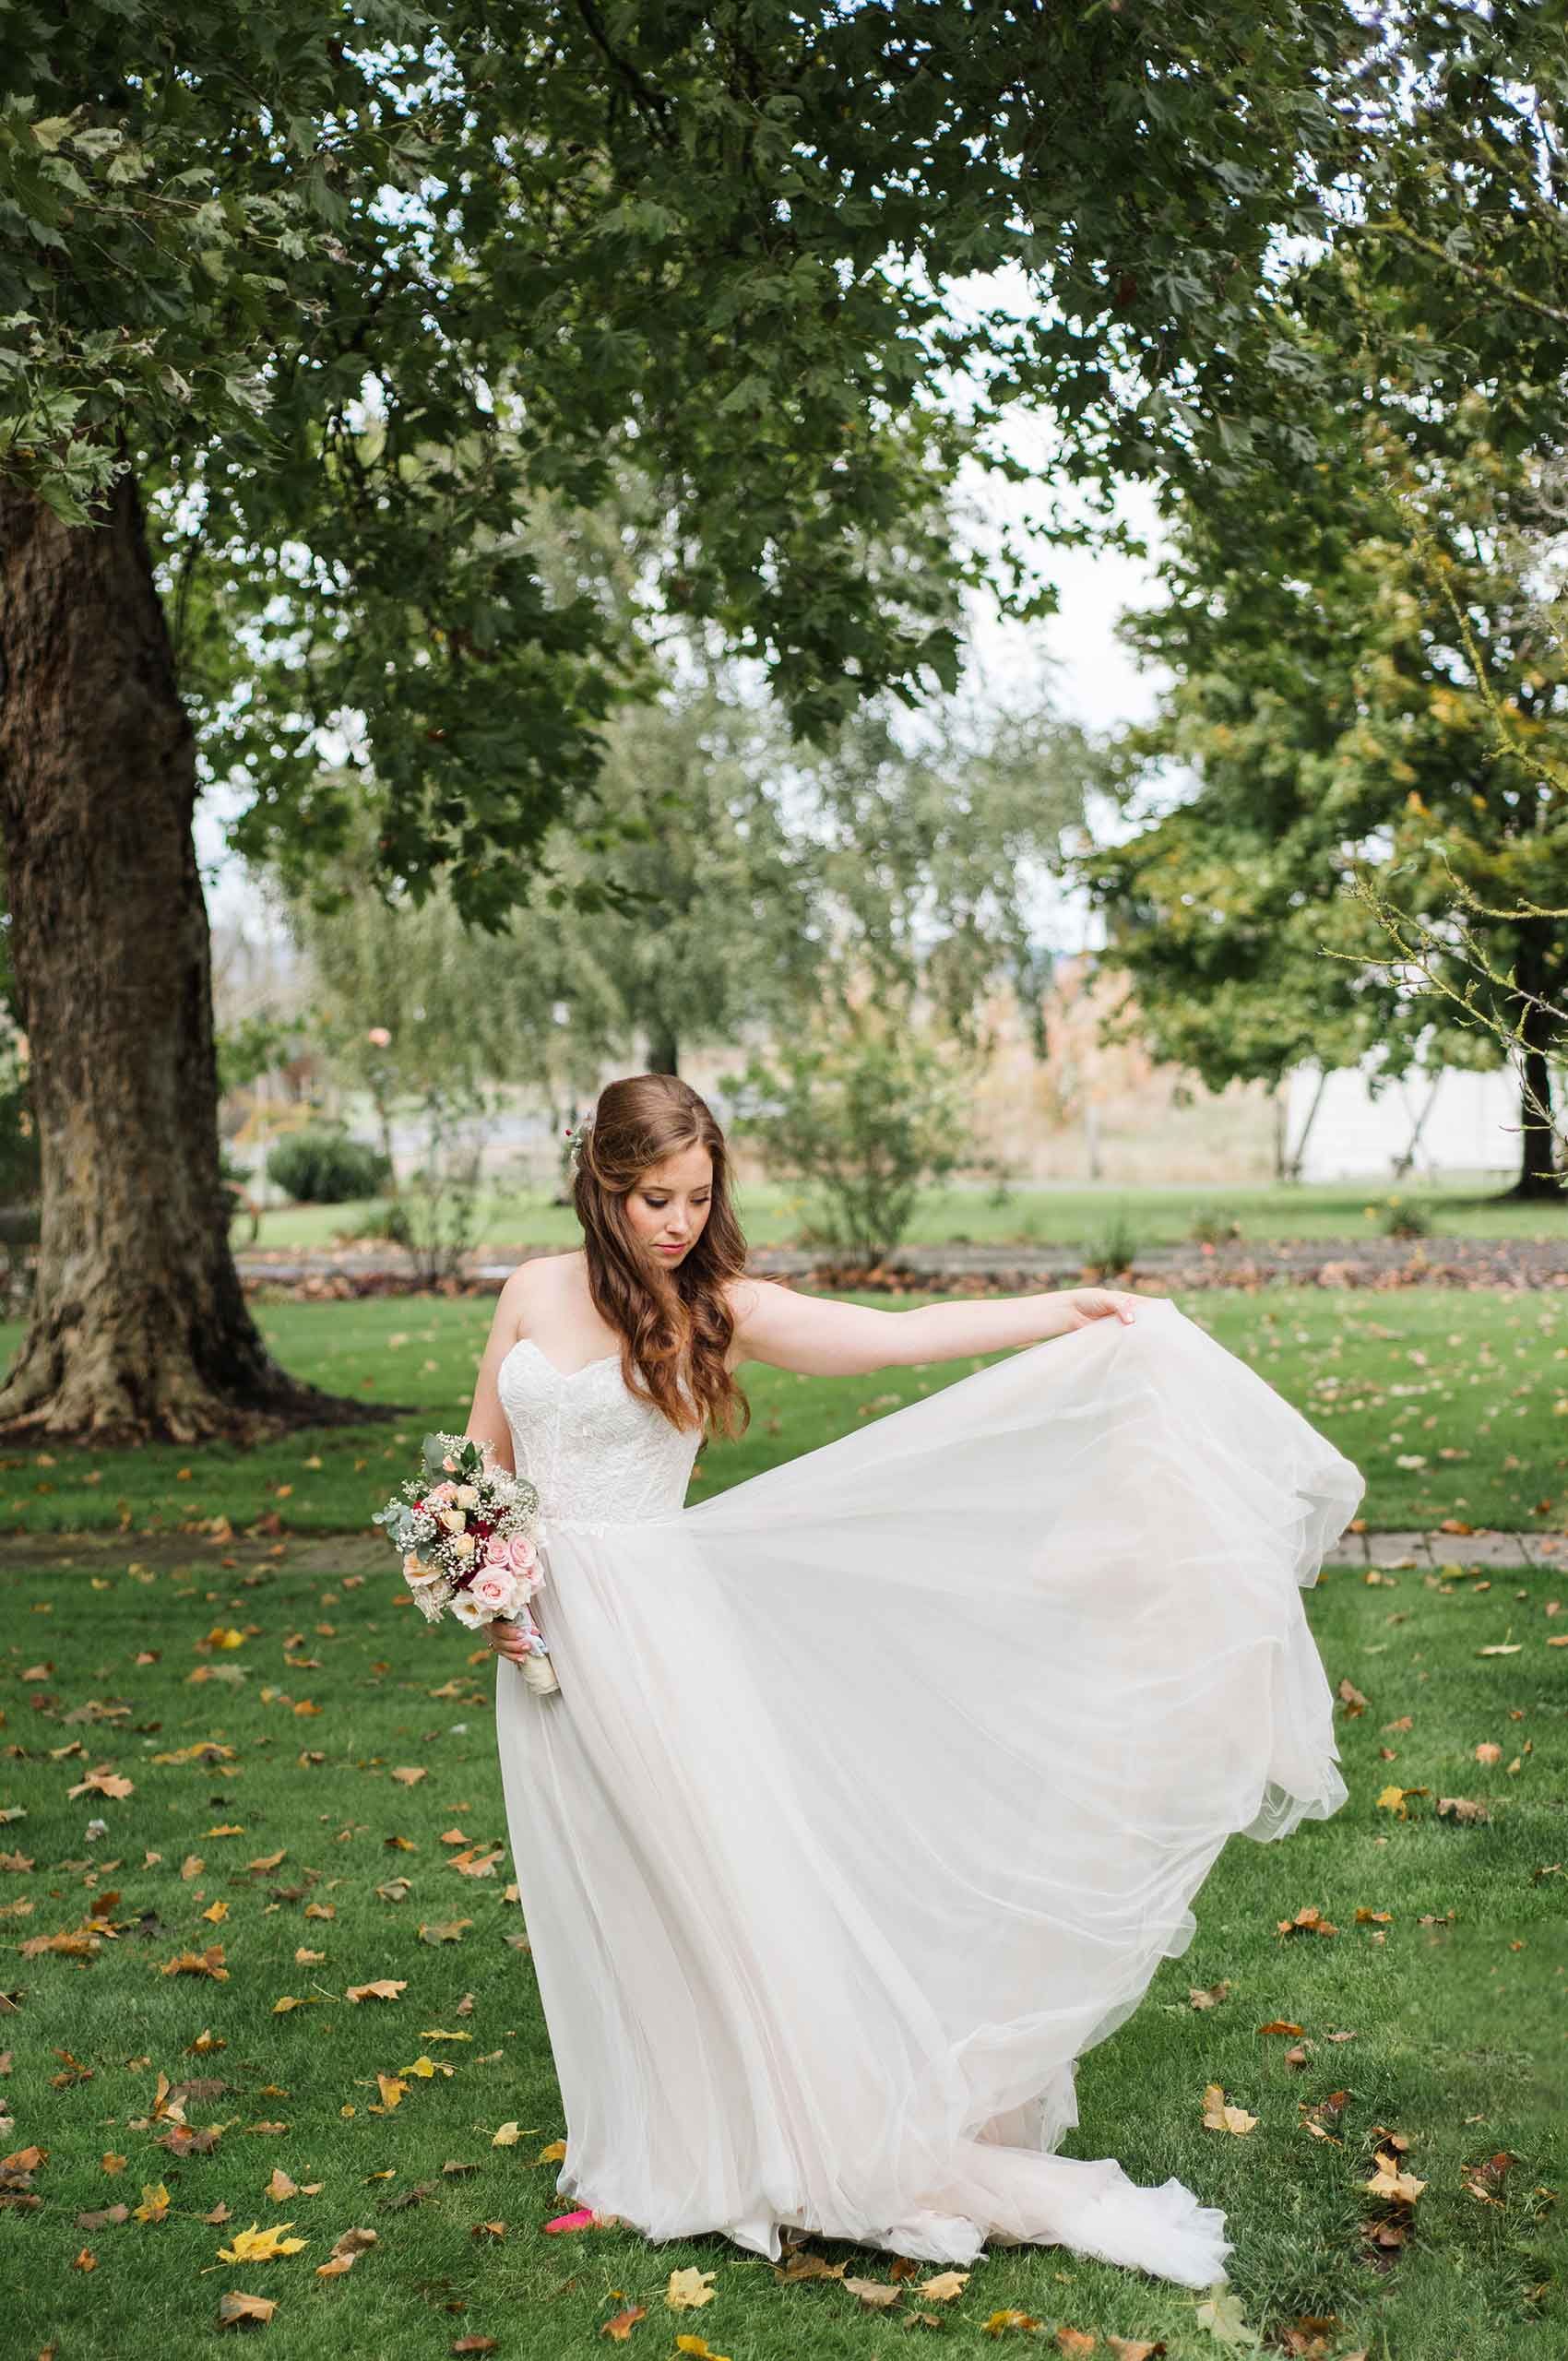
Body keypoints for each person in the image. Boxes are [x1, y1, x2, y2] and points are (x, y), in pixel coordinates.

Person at [462, 1072, 1362, 2288]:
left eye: (695, 1196)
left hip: (658, 1647)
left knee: (712, 1897)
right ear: (601, 1187)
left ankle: (778, 2142)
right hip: (544, 1650)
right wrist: (482, 1585)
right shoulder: (529, 1292)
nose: (675, 1222)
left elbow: (890, 1339)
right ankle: (639, 2159)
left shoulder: (716, 1305)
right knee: (602, 1900)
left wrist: (1063, 1307)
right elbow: (479, 1465)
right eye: (652, 1199)